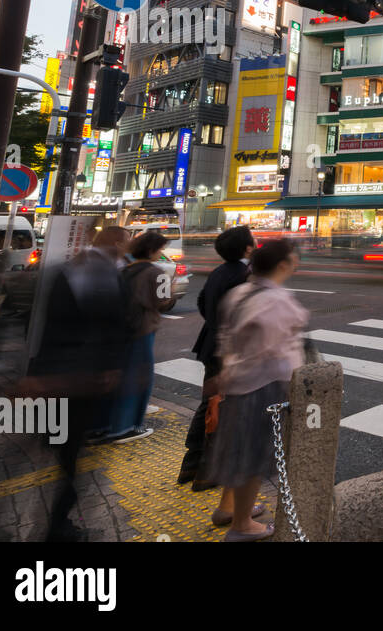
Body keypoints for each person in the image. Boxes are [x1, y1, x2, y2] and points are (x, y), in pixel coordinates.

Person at [24, 226, 132, 541]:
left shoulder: (69, 269)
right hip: (77, 380)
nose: (129, 246)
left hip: (52, 376)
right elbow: (109, 326)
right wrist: (112, 367)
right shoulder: (101, 274)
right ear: (115, 243)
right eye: (126, 241)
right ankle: (57, 526)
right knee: (68, 456)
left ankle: (54, 517)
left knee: (61, 448)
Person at [206, 240, 309, 541]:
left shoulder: (239, 293)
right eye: (293, 259)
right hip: (263, 386)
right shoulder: (278, 300)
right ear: (282, 266)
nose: (296, 263)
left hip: (237, 383)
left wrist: (225, 374)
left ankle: (229, 508)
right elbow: (276, 350)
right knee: (253, 454)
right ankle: (241, 525)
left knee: (239, 448)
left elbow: (226, 337)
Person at [179, 226, 255, 497]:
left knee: (209, 403)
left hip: (210, 344)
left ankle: (190, 463)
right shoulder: (244, 276)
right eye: (252, 241)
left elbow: (202, 301)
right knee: (223, 407)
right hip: (229, 350)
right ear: (247, 248)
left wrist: (213, 323)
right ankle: (207, 470)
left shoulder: (220, 271)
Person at [103, 231, 177, 443]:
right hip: (143, 329)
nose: (161, 253)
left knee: (122, 375)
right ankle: (125, 427)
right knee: (138, 377)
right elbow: (164, 302)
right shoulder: (158, 273)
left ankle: (111, 424)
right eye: (161, 249)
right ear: (153, 250)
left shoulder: (125, 270)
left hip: (121, 329)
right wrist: (170, 287)